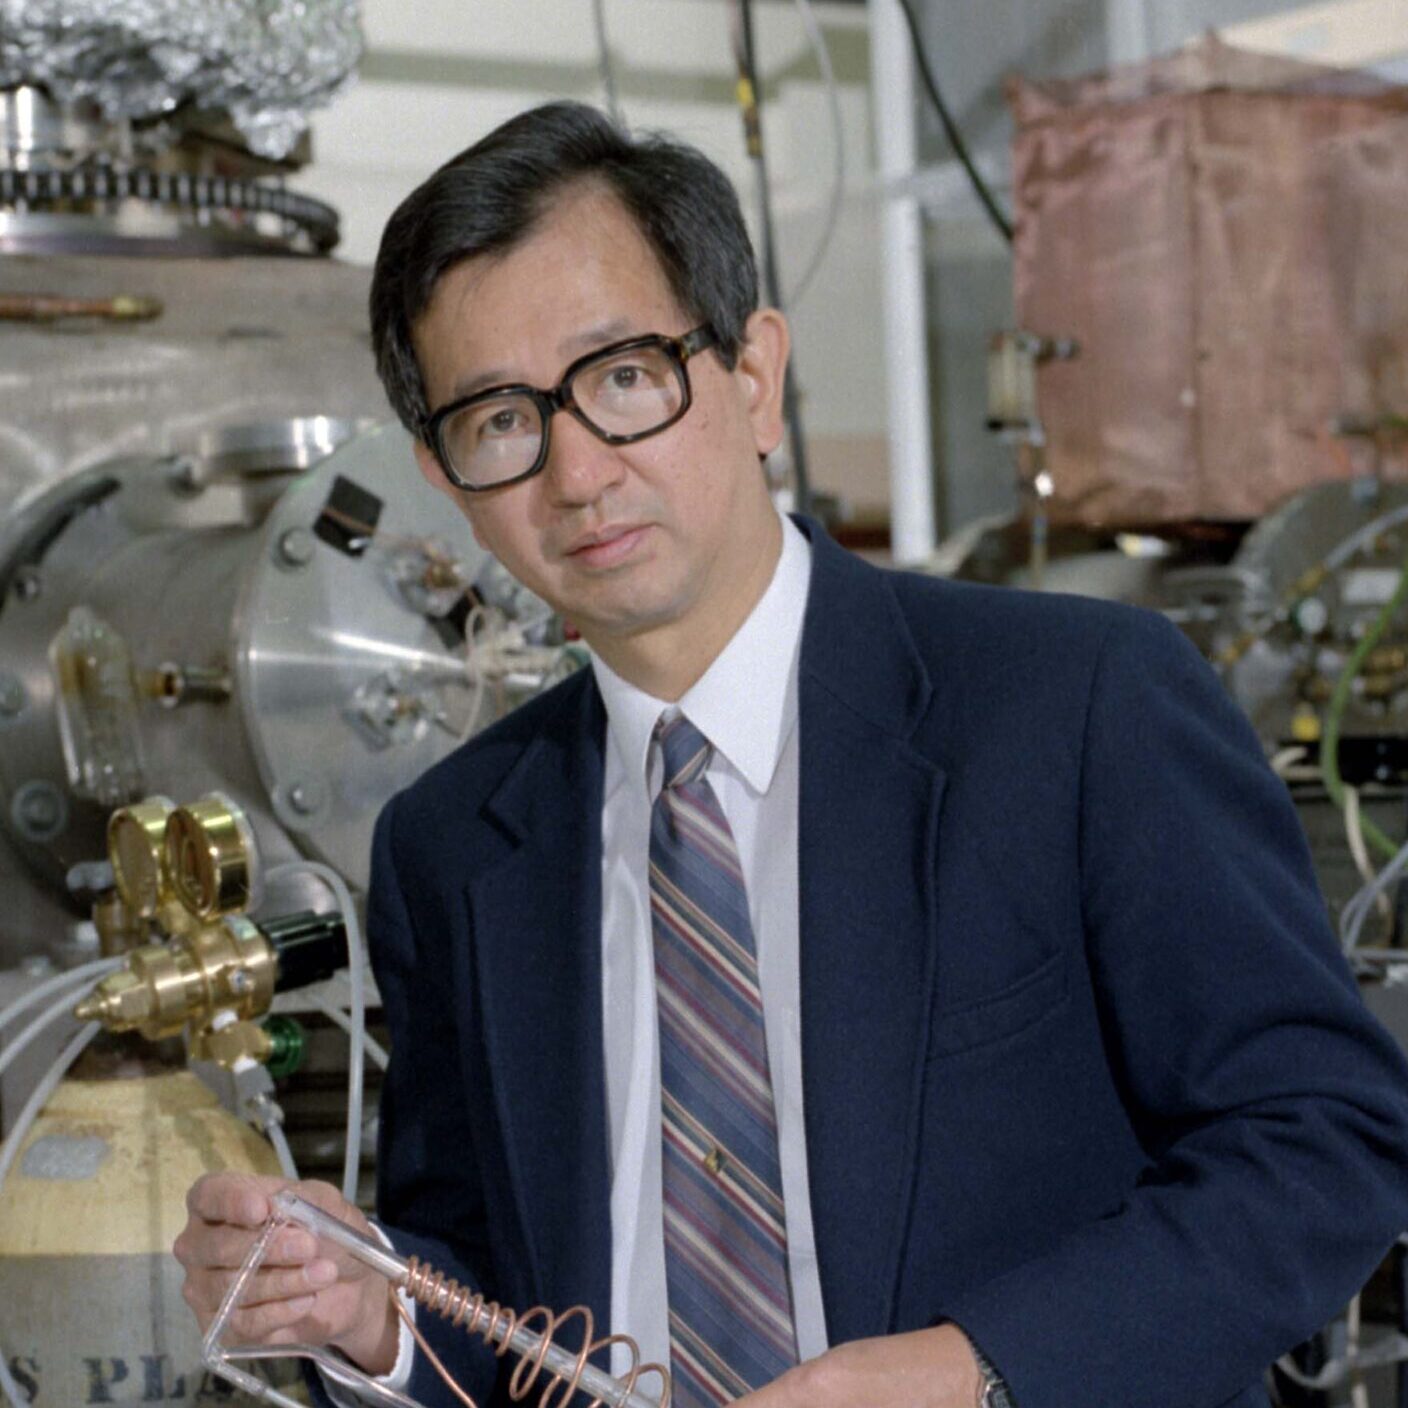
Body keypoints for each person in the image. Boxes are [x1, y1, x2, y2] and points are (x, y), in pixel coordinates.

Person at [174, 101, 1408, 1408]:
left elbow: (1326, 1140)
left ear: (753, 376)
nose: (577, 472)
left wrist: (974, 1371)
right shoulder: (456, 845)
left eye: (625, 377)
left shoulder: (1076, 709)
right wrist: (379, 1312)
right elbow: (500, 1298)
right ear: (441, 474)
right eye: (498, 420)